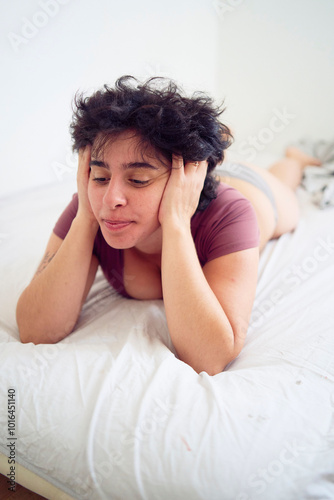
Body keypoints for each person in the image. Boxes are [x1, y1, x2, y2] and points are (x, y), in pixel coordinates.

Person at [16, 76, 321, 375]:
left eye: (138, 180)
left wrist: (175, 222)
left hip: (254, 190)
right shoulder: (92, 205)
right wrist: (85, 217)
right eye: (100, 176)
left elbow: (210, 357)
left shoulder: (232, 212)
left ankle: (294, 159)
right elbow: (35, 329)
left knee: (284, 181)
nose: (111, 199)